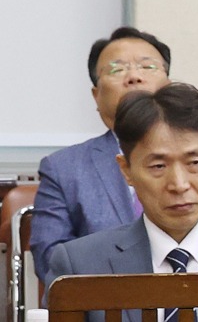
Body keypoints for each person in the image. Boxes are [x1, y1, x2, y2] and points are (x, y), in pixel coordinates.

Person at [44, 83, 198, 322]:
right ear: (126, 170)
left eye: (194, 163)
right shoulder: (80, 264)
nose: (179, 184)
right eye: (158, 166)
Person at [31, 27, 172, 285]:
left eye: (147, 67)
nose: (134, 77)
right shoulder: (63, 168)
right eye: (117, 69)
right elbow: (51, 263)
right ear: (96, 95)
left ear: (169, 86)